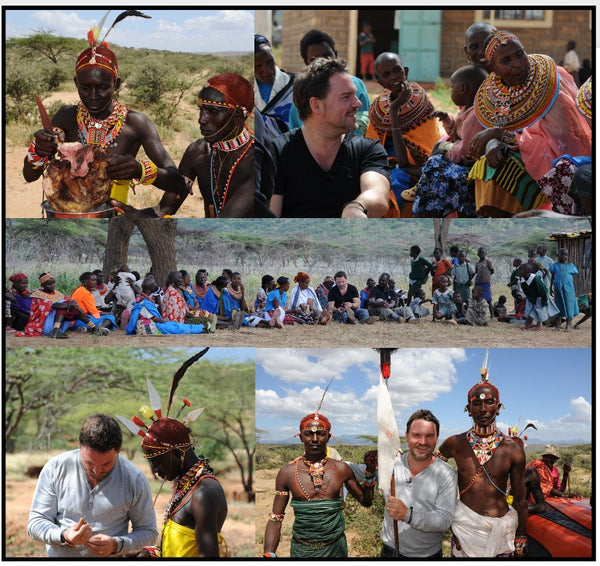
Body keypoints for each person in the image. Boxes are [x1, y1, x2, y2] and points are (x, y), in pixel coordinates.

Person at [23, 27, 185, 206]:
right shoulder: (66, 116)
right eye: (85, 88)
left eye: (102, 87)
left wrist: (139, 170)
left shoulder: (137, 124)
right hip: (65, 214)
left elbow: (177, 182)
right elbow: (29, 176)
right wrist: (38, 151)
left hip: (113, 219)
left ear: (116, 84)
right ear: (76, 83)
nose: (93, 95)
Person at [469, 30, 591, 217]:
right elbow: (504, 127)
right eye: (507, 61)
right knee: (487, 164)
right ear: (492, 67)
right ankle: (498, 227)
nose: (517, 64)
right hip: (528, 154)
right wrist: (494, 141)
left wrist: (500, 136)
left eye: (520, 54)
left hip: (565, 159)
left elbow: (564, 136)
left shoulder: (552, 82)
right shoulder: (498, 94)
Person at [268, 57, 391, 218]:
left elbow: (378, 194)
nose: (357, 103)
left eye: (355, 95)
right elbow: (270, 220)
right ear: (316, 105)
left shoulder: (368, 150)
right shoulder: (276, 153)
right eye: (346, 97)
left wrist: (357, 206)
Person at [27, 414, 157, 557]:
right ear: (79, 445)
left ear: (119, 450)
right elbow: (36, 523)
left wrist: (116, 544)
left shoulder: (135, 479)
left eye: (106, 464)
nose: (97, 470)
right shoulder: (56, 469)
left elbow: (148, 532)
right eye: (89, 463)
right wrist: (64, 536)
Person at [263, 411, 375, 558]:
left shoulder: (342, 469)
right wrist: (269, 554)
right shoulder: (287, 473)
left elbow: (366, 501)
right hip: (301, 550)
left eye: (321, 434)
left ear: (328, 437)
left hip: (336, 550)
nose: (315, 439)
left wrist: (370, 471)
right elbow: (275, 518)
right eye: (309, 434)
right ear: (301, 437)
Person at [439, 374, 527, 557]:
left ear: (499, 407)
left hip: (502, 532)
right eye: (476, 404)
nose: (483, 409)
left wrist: (520, 540)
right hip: (465, 531)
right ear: (468, 409)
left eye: (489, 402)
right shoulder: (454, 443)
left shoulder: (513, 449)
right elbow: (432, 473)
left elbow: (520, 500)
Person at [151, 74, 255, 218]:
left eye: (212, 111)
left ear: (238, 115)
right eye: (201, 110)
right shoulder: (198, 151)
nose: (201, 120)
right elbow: (164, 209)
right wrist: (130, 212)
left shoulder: (258, 159)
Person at [134, 415, 227, 557]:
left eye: (158, 462)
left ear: (177, 453)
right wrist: (154, 553)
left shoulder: (203, 493)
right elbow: (184, 548)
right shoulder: (185, 484)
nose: (156, 470)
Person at [367, 52, 444, 213]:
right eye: (386, 75)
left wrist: (394, 110)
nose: (394, 77)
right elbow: (371, 151)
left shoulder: (421, 102)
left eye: (397, 71)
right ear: (381, 82)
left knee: (394, 185)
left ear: (406, 71)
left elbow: (404, 163)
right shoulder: (378, 107)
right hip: (385, 167)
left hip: (413, 168)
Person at [412, 65, 487, 218]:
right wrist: (447, 120)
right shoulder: (467, 109)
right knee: (436, 156)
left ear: (463, 89)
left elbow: (466, 151)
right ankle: (424, 194)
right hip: (462, 160)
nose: (450, 91)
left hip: (471, 166)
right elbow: (456, 133)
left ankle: (424, 206)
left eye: (452, 87)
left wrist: (446, 151)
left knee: (435, 162)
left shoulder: (474, 116)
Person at [381, 410, 457, 558]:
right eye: (416, 435)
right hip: (390, 550)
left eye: (429, 436)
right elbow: (362, 474)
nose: (423, 442)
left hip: (428, 555)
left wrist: (407, 515)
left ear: (436, 439)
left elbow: (445, 519)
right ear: (407, 436)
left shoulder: (446, 473)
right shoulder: (390, 465)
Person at [288, 29, 370, 135]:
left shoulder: (356, 86)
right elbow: (295, 129)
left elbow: (364, 123)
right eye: (315, 59)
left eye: (327, 56)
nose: (324, 63)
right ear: (306, 62)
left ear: (335, 54)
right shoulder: (302, 93)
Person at [254, 34, 294, 140]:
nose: (267, 70)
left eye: (269, 62)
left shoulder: (294, 85)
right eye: (258, 66)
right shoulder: (245, 91)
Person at [518, 263, 560, 330]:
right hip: (531, 297)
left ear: (526, 272)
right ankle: (526, 325)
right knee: (528, 311)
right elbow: (525, 289)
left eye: (521, 271)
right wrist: (529, 298)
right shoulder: (522, 279)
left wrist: (544, 301)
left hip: (540, 297)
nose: (519, 272)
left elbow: (542, 291)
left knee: (539, 311)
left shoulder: (535, 279)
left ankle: (538, 325)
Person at [549, 248, 579, 331]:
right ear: (558, 255)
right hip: (558, 289)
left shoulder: (571, 266)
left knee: (569, 306)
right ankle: (557, 326)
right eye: (561, 254)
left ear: (568, 256)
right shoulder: (554, 266)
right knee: (558, 306)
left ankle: (568, 326)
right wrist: (550, 287)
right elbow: (552, 277)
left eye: (565, 254)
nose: (563, 256)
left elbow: (573, 276)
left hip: (569, 289)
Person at [474, 247, 494, 318]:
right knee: (477, 299)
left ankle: (492, 315)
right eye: (480, 253)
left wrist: (486, 277)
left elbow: (492, 271)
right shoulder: (477, 264)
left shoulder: (488, 262)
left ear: (485, 253)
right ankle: (477, 314)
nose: (481, 254)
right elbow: (476, 272)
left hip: (486, 283)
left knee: (488, 300)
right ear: (477, 254)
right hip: (478, 283)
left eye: (483, 252)